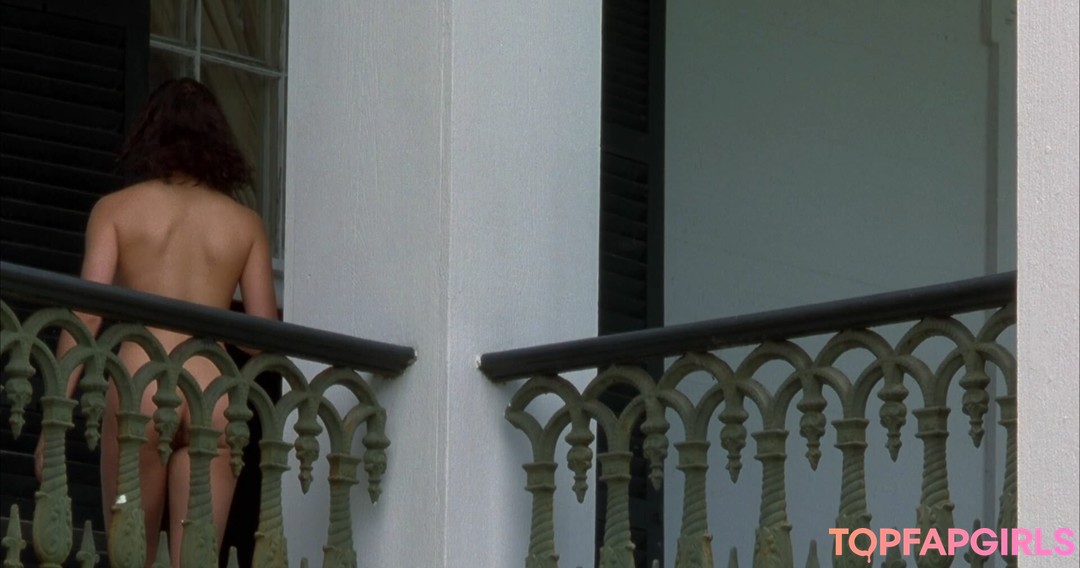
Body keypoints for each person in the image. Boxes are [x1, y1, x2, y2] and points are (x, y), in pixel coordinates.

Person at [34, 78, 278, 566]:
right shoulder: (245, 224)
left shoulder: (116, 210)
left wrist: (52, 418)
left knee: (132, 557)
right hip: (214, 395)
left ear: (151, 136)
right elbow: (260, 338)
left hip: (139, 387)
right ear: (215, 140)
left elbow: (87, 315)